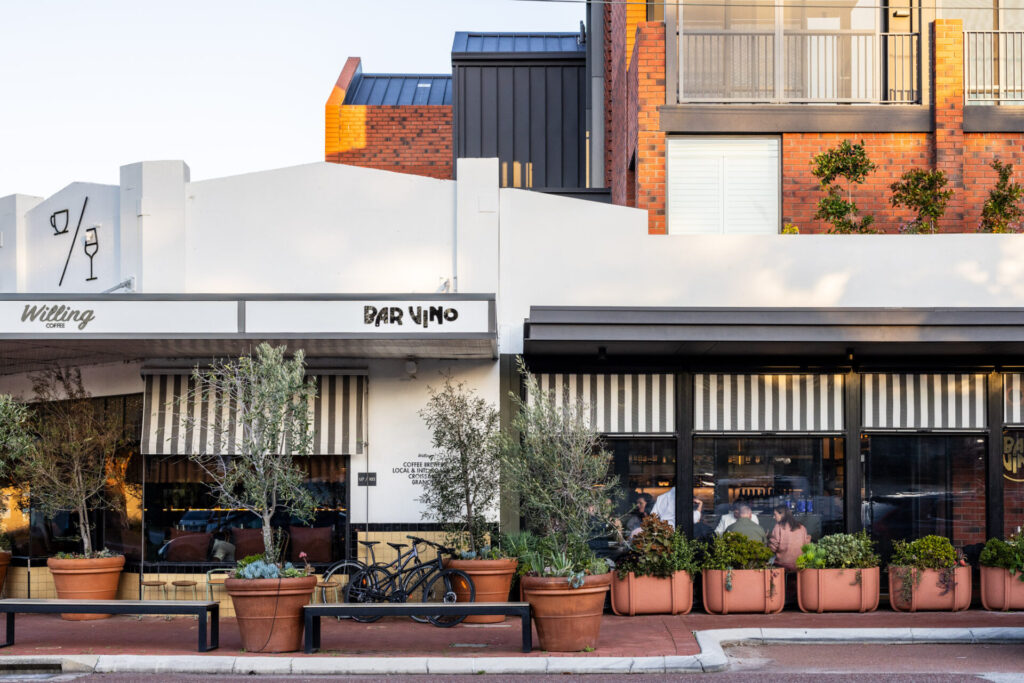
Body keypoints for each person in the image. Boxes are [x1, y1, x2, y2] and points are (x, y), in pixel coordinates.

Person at [768, 504, 811, 571]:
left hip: (783, 564)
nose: (774, 517)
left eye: (775, 514)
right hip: (800, 564)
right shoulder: (801, 527)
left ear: (782, 514)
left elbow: (773, 547)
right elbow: (807, 545)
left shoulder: (778, 527)